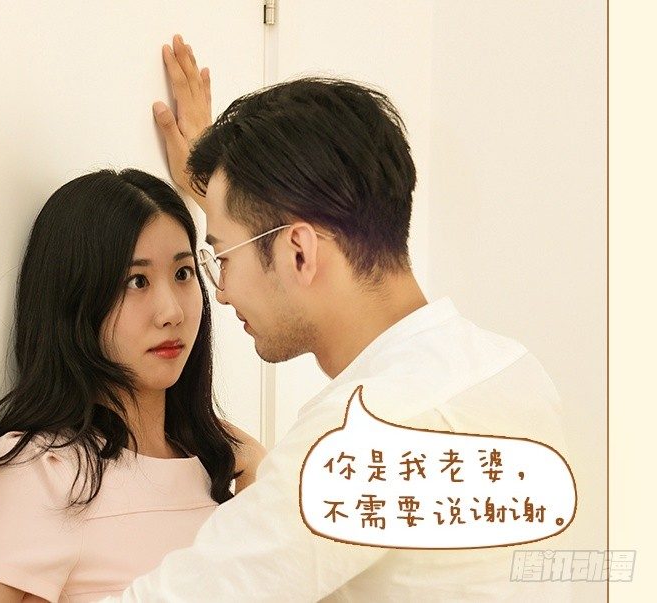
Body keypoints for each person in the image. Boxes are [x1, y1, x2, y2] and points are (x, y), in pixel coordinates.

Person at [90, 35, 570, 601]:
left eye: (222, 258)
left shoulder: (360, 440)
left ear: (299, 252)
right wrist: (221, 191)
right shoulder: (508, 368)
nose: (220, 293)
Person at [0, 168, 266, 602]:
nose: (172, 312)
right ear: (77, 301)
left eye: (183, 274)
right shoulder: (46, 472)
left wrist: (256, 466)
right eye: (137, 281)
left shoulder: (217, 462)